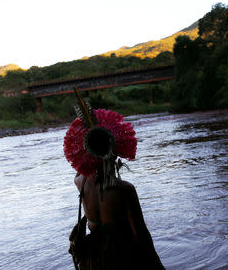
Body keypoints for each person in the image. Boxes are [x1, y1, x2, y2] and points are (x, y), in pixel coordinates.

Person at [64, 98, 164, 270]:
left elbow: (83, 170)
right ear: (114, 150)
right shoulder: (124, 189)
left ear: (86, 151)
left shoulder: (80, 182)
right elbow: (141, 236)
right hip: (122, 258)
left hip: (93, 261)